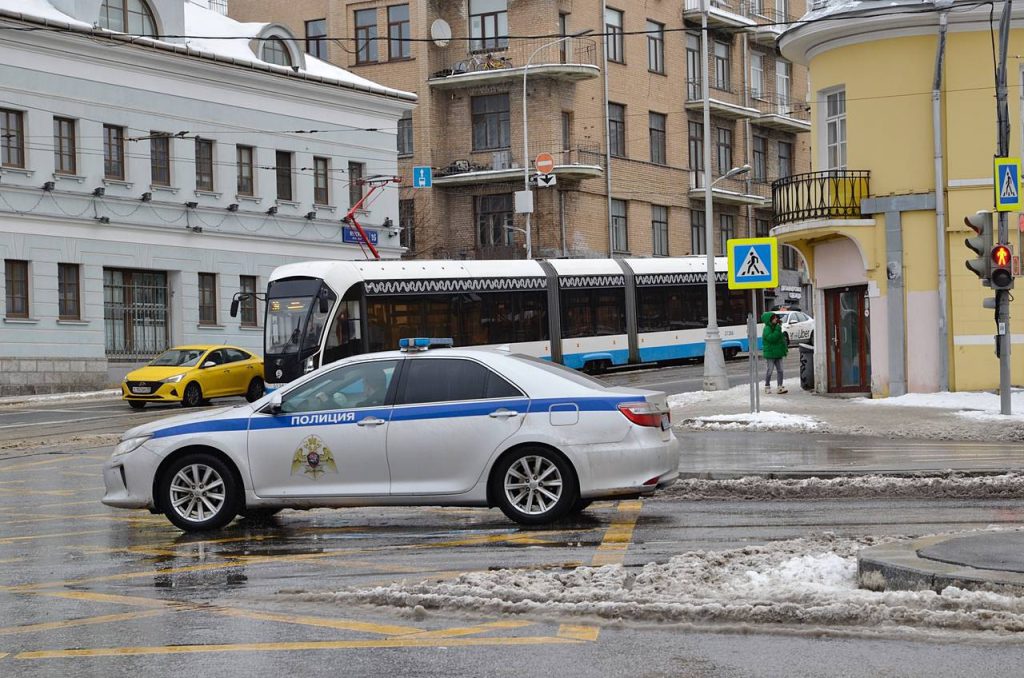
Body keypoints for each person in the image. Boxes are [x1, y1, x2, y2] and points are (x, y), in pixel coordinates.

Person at [761, 311, 788, 394]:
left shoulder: (776, 327)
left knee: (780, 370)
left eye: (776, 317)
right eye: (774, 318)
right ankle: (767, 386)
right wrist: (777, 329)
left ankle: (780, 386)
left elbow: (780, 339)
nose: (776, 319)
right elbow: (772, 338)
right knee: (770, 370)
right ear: (769, 320)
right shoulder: (767, 328)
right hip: (770, 353)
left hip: (778, 352)